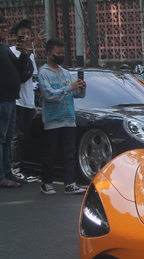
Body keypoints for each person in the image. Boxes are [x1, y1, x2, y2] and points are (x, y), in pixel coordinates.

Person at [38, 38, 86, 195]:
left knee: (69, 153)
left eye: (62, 52)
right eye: (58, 53)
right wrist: (69, 87)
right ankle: (46, 183)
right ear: (49, 54)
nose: (61, 55)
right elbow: (49, 94)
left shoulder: (65, 72)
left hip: (69, 118)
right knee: (50, 153)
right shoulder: (43, 72)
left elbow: (76, 94)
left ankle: (70, 183)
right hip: (53, 119)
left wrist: (80, 88)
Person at [10, 19, 44, 183]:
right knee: (17, 136)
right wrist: (31, 48)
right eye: (22, 34)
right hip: (17, 101)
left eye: (29, 34)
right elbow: (21, 74)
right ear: (15, 36)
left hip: (28, 101)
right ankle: (15, 168)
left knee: (25, 136)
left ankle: (22, 167)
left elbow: (33, 79)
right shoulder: (12, 52)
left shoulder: (32, 53)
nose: (27, 37)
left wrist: (33, 104)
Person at [0, 14, 31, 188]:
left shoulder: (4, 48)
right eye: (1, 28)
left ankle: (7, 172)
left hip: (11, 100)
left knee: (6, 139)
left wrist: (23, 53)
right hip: (2, 100)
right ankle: (1, 175)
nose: (5, 31)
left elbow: (18, 71)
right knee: (2, 138)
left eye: (6, 27)